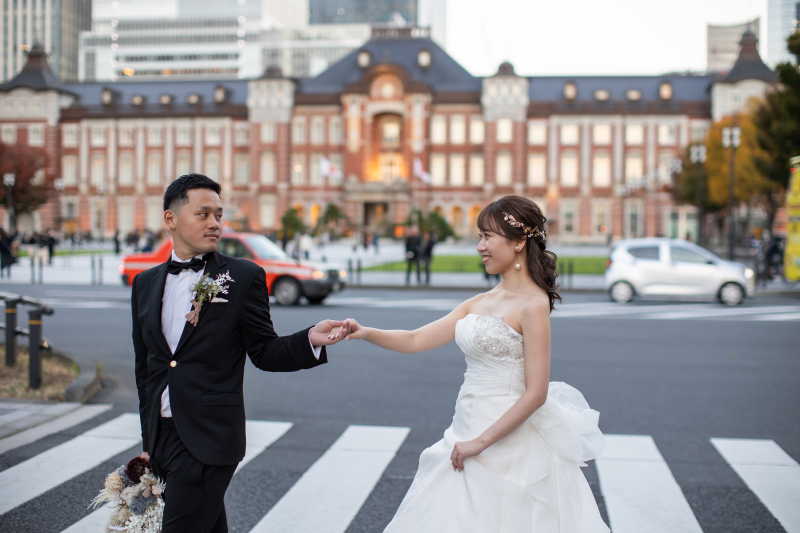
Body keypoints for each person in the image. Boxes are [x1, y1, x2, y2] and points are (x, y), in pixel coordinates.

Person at [344, 196, 608, 533]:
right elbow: (415, 340)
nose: (480, 246)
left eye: (487, 236)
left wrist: (480, 443)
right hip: (464, 425)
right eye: (479, 236)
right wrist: (365, 332)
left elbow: (537, 392)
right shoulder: (480, 302)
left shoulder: (533, 304)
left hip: (506, 439)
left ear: (517, 242)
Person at [131, 174, 350, 533]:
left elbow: (264, 351)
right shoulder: (145, 284)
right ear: (171, 219)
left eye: (219, 214)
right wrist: (148, 444)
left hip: (209, 438)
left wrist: (309, 337)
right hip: (163, 438)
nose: (215, 223)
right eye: (203, 214)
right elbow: (147, 370)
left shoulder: (243, 276)